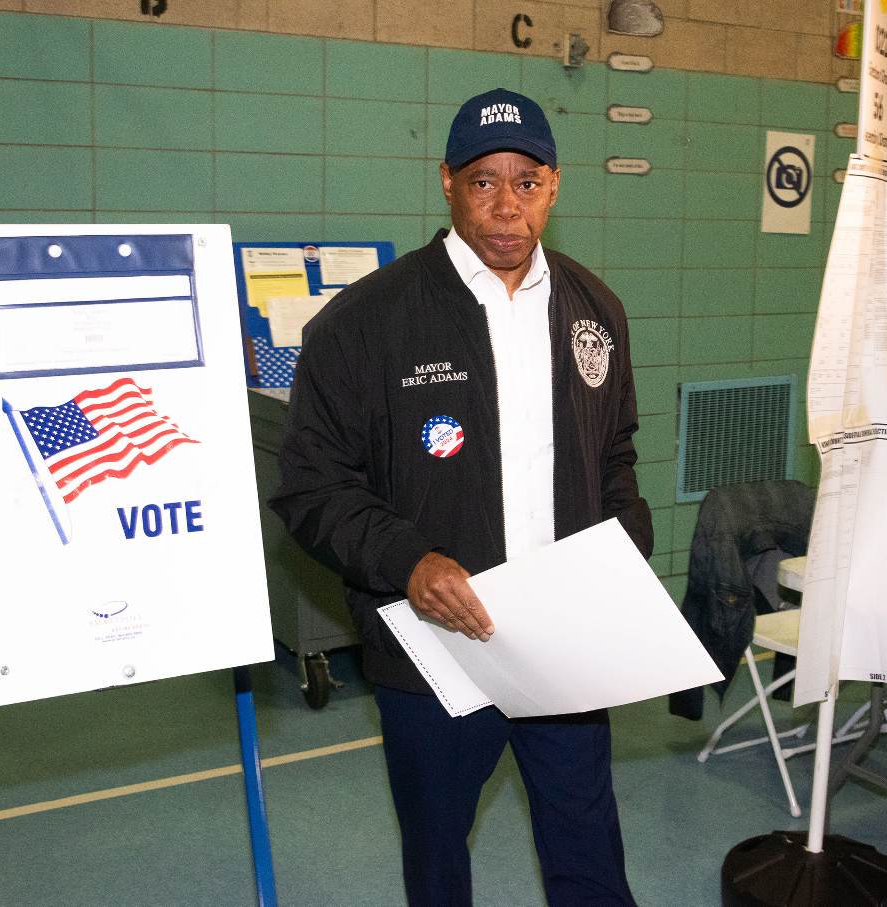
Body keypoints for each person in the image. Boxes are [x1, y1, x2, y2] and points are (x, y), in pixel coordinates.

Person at [270, 88, 651, 906]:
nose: (506, 207)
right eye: (484, 182)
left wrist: (624, 551)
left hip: (563, 638)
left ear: (555, 185)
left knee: (589, 850)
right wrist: (408, 561)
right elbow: (310, 486)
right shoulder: (364, 323)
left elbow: (614, 454)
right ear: (446, 182)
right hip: (434, 649)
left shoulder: (595, 312)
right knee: (439, 858)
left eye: (527, 181)